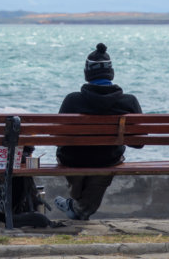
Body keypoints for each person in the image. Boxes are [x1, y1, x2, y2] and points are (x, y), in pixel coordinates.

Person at [54, 42, 143, 220]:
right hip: (108, 160)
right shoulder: (129, 102)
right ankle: (80, 207)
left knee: (73, 156)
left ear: (88, 73)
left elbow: (58, 138)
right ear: (110, 72)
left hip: (73, 160)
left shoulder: (72, 100)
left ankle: (77, 203)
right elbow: (138, 143)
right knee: (105, 161)